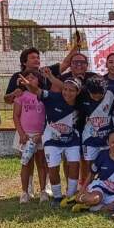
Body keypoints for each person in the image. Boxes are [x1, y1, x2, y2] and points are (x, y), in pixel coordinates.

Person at [18, 74, 82, 206]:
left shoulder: (82, 102)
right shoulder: (53, 97)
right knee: (53, 169)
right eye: (65, 89)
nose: (67, 93)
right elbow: (37, 91)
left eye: (72, 90)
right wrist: (28, 85)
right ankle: (57, 197)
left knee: (75, 166)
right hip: (52, 140)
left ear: (78, 92)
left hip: (72, 139)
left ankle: (70, 196)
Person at [70, 129, 114, 214]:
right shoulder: (102, 155)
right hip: (100, 188)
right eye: (113, 142)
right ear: (108, 143)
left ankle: (94, 207)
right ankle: (78, 199)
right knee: (95, 198)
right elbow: (92, 174)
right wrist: (82, 190)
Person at [12, 70, 48, 203]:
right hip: (25, 136)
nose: (29, 80)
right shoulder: (21, 96)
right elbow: (15, 115)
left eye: (33, 78)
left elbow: (48, 116)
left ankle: (43, 191)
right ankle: (25, 192)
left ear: (39, 80)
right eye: (27, 78)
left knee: (42, 163)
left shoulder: (43, 95)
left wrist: (42, 133)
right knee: (26, 163)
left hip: (40, 135)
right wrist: (21, 133)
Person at [79, 76, 114, 185]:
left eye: (99, 97)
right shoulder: (82, 94)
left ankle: (107, 185)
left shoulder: (112, 92)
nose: (96, 99)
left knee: (109, 162)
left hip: (107, 138)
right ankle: (87, 187)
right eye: (93, 96)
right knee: (89, 164)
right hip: (89, 138)